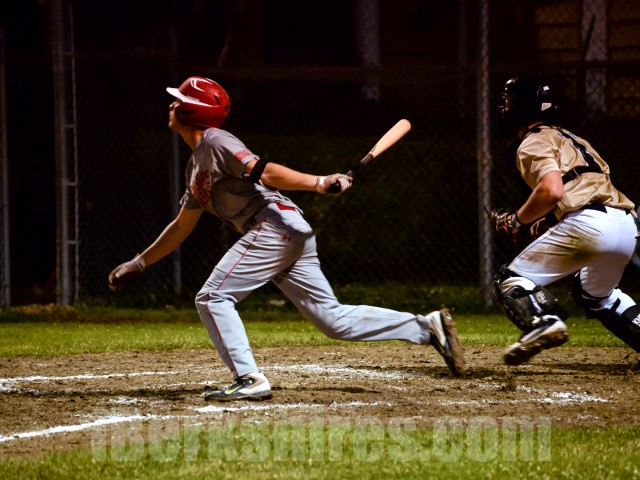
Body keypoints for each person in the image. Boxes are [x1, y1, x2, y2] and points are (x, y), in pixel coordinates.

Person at [108, 76, 466, 401]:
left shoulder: (217, 141)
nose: (172, 105)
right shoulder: (198, 165)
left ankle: (248, 378)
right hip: (286, 230)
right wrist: (140, 262)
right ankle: (427, 327)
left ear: (193, 111)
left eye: (180, 101)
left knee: (213, 297)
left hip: (273, 227)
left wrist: (319, 182)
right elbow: (182, 225)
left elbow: (266, 172)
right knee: (333, 320)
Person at [489, 75, 640, 366]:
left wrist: (518, 220)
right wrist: (549, 220)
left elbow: (551, 190)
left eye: (509, 102)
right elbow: (581, 187)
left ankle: (544, 321)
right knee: (596, 294)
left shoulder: (532, 141)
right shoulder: (574, 138)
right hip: (625, 226)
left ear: (522, 107)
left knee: (510, 280)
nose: (504, 108)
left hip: (589, 224)